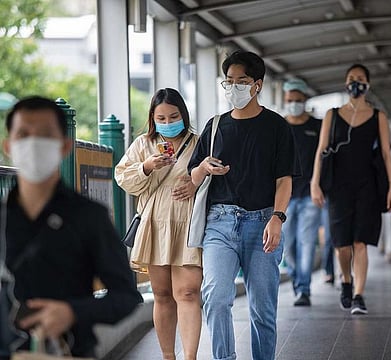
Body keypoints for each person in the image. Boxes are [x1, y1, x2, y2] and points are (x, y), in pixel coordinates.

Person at [0, 96, 142, 359]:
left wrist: (73, 312)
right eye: (23, 134)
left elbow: (127, 297)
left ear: (64, 146)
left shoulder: (90, 216)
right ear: (8, 145)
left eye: (44, 135)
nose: (33, 143)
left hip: (71, 351)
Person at [188, 50, 296, 360]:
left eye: (242, 81)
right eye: (229, 82)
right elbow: (193, 176)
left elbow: (283, 180)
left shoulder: (277, 127)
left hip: (262, 221)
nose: (234, 88)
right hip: (220, 222)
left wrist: (277, 217)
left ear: (257, 85)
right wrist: (205, 167)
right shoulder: (215, 125)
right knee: (216, 296)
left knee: (262, 308)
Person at [115, 88, 202, 360]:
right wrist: (147, 166)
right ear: (153, 118)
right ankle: (168, 355)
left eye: (173, 116)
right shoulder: (143, 144)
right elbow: (123, 178)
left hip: (188, 222)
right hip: (154, 225)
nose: (168, 122)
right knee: (162, 294)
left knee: (187, 292)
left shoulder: (200, 142)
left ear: (183, 115)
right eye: (161, 118)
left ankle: (189, 357)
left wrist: (194, 183)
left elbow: (215, 176)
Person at [310, 64, 391, 315]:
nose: (355, 82)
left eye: (360, 79)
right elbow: (321, 150)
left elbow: (385, 152)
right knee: (342, 245)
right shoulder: (332, 115)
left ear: (368, 85)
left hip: (367, 186)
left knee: (361, 242)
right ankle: (345, 281)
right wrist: (315, 182)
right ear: (345, 83)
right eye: (351, 78)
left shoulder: (378, 116)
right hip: (338, 186)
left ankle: (359, 295)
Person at [281, 78, 324, 306]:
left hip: (310, 194)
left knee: (307, 242)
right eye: (290, 100)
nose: (294, 104)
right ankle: (298, 281)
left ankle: (304, 289)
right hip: (284, 197)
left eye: (298, 100)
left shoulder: (317, 127)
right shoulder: (279, 126)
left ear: (305, 100)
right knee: (287, 244)